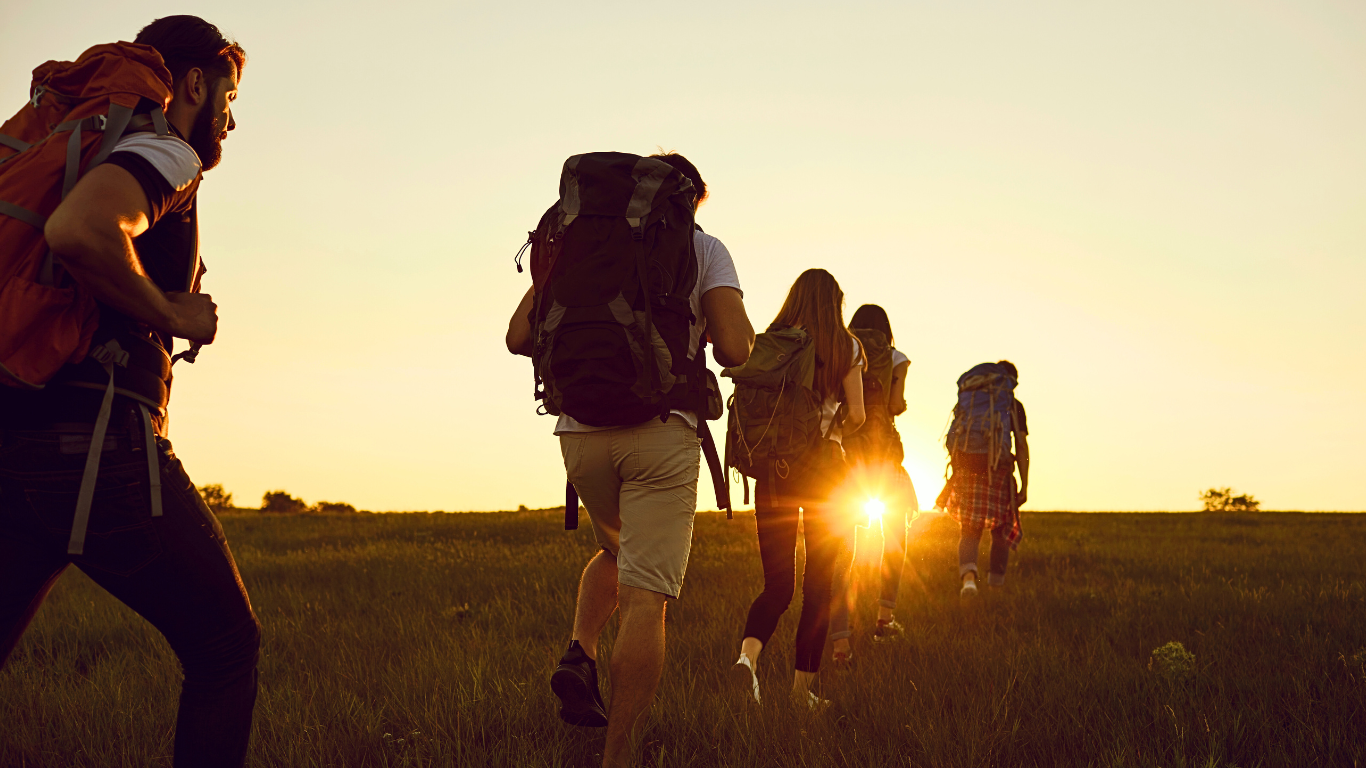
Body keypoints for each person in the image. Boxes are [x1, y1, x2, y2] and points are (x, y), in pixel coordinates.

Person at [0, 16, 258, 768]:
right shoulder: (165, 146)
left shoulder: (78, 139)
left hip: (14, 439)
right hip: (97, 446)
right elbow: (81, 230)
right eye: (230, 96)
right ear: (196, 84)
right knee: (226, 647)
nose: (231, 119)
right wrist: (174, 310)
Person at [506, 152, 754, 768]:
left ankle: (580, 653)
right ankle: (616, 759)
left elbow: (517, 336)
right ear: (690, 199)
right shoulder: (705, 248)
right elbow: (735, 346)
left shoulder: (581, 240)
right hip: (661, 430)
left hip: (578, 434)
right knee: (647, 596)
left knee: (619, 552)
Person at [729, 268, 865, 710]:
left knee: (778, 586)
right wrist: (834, 431)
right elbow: (859, 415)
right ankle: (800, 692)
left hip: (774, 471)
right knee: (818, 587)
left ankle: (747, 661)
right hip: (824, 474)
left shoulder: (773, 342)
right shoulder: (846, 346)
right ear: (835, 303)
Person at [828, 304, 918, 666]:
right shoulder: (896, 357)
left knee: (839, 553)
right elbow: (894, 405)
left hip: (844, 455)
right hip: (884, 457)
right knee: (896, 535)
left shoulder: (842, 349)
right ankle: (884, 618)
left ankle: (840, 644)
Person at [935, 360, 1029, 596]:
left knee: (969, 530)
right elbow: (1022, 445)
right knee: (1000, 531)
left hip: (967, 468)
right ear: (1011, 382)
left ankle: (968, 581)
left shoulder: (971, 400)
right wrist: (1025, 485)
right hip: (997, 470)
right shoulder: (1012, 405)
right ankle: (995, 589)